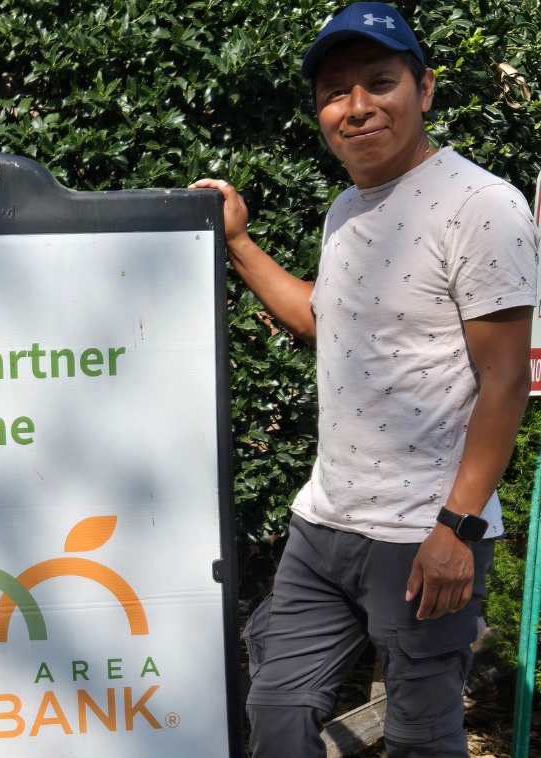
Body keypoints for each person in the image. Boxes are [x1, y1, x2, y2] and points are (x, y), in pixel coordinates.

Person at [192, 3, 536, 756]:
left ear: (426, 89)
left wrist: (458, 528)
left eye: (380, 82)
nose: (355, 107)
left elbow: (505, 380)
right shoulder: (347, 207)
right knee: (277, 712)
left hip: (423, 534)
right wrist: (239, 241)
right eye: (334, 92)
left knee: (420, 736)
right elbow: (324, 320)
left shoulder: (482, 206)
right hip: (324, 523)